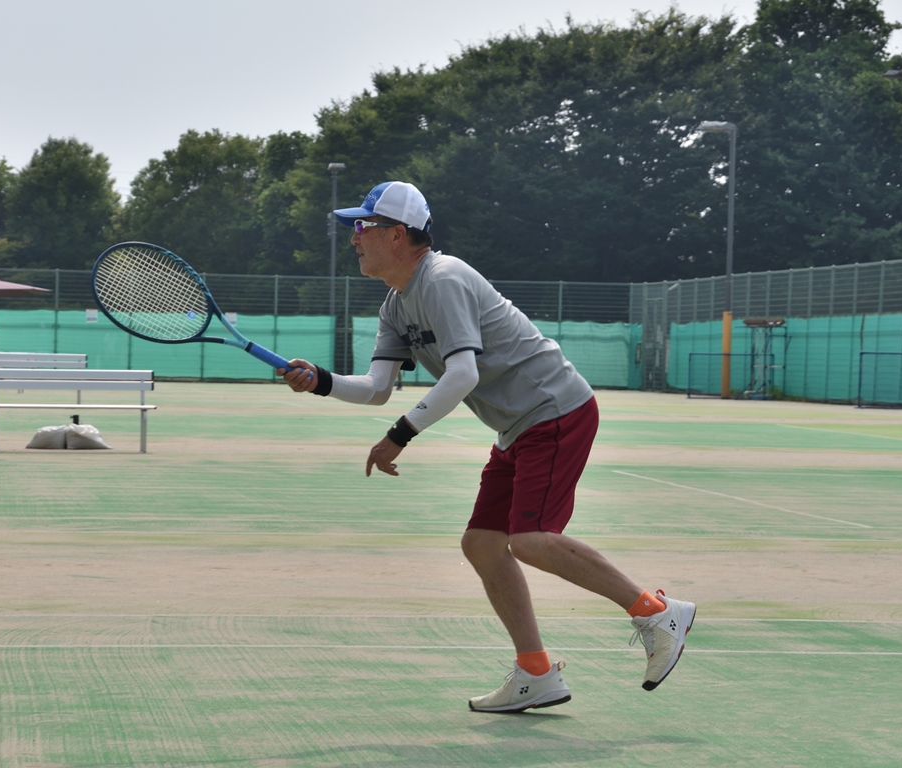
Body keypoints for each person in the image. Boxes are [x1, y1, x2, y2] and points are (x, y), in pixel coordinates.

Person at [280, 181, 695, 713]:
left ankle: (656, 613)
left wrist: (398, 436)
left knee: (531, 541)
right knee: (481, 543)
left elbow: (463, 375)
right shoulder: (395, 306)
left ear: (398, 235)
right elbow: (377, 388)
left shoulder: (444, 279)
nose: (354, 238)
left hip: (555, 410)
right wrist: (320, 381)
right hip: (518, 427)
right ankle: (536, 672)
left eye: (363, 226)